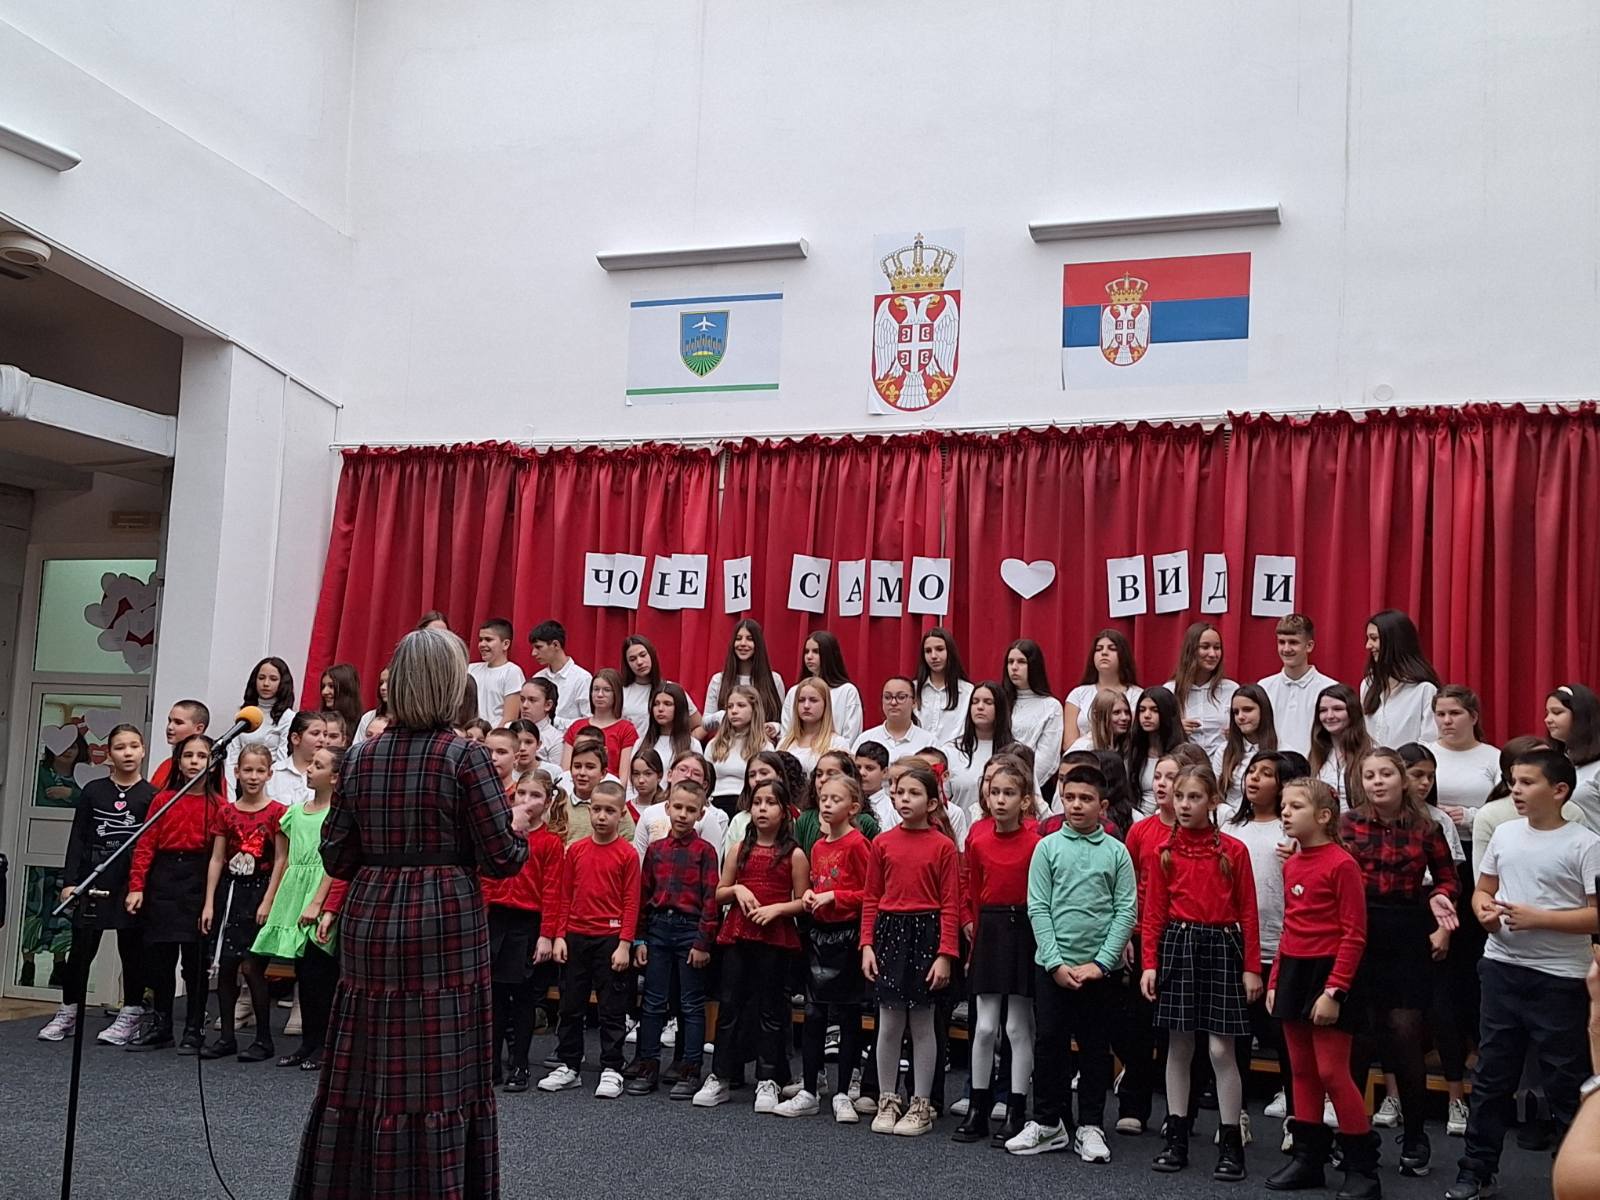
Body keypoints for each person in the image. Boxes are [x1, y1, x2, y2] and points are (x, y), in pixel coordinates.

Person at [292, 628, 532, 1200]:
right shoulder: (466, 757)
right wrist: (518, 828)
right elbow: (502, 859)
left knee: (369, 1061)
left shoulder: (359, 757)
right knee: (437, 1068)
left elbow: (336, 856)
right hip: (445, 916)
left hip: (372, 913)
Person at [1448, 747, 1600, 1200]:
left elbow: (1596, 916)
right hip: (1502, 969)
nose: (1515, 790)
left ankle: (1572, 1176)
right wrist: (1484, 911)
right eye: (1513, 781)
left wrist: (1540, 919)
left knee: (1565, 1080)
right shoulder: (1505, 833)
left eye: (1527, 782)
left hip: (1561, 978)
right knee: (1492, 1077)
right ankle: (1476, 1171)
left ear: (1559, 791)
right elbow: (1483, 890)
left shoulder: (1585, 844)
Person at [1006, 762, 1136, 1159]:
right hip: (1054, 968)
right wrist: (1054, 962)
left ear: (1103, 806)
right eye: (1070, 798)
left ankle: (1091, 1125)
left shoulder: (1117, 852)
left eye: (1086, 799)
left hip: (1100, 971)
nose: (1077, 805)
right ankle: (1049, 1123)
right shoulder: (1047, 848)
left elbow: (1125, 910)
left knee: (1095, 1047)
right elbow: (1038, 907)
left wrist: (1102, 963)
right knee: (1049, 1042)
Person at [1341, 745, 1459, 1179]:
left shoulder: (1427, 826)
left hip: (1407, 929)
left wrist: (1441, 899)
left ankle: (1414, 1135)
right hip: (1358, 929)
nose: (1378, 782)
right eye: (1369, 775)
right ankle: (1353, 1135)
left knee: (1405, 1033)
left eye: (1386, 774)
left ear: (1402, 780)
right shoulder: (1346, 823)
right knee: (1357, 1037)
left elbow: (1448, 878)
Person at [1141, 763, 1261, 1182]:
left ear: (1213, 801)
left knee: (1221, 1050)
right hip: (1179, 944)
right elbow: (1154, 912)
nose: (1185, 805)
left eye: (1194, 797)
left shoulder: (1233, 851)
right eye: (1179, 797)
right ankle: (1176, 1136)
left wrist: (1251, 968)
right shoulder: (1164, 851)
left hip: (1222, 946)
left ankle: (1231, 1141)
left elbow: (1249, 911)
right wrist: (1150, 963)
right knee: (1178, 1046)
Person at [1266, 778, 1376, 1196]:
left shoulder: (1342, 864)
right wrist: (1276, 979)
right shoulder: (1292, 863)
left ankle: (1362, 1169)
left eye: (1296, 806)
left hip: (1329, 974)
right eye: (1284, 805)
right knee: (1301, 1070)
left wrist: (1335, 991)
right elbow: (1290, 925)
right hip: (1294, 971)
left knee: (1332, 1071)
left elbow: (1354, 934)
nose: (1285, 812)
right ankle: (1308, 1160)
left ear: (1325, 816)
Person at [860, 759, 961, 1137]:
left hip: (926, 934)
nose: (904, 799)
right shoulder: (882, 843)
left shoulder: (943, 847)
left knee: (922, 1023)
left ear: (932, 803)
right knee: (888, 1023)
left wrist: (945, 954)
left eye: (914, 793)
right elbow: (871, 898)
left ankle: (921, 1102)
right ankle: (888, 1098)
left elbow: (950, 904)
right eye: (900, 792)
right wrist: (867, 944)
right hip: (890, 933)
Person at [694, 777, 807, 1110]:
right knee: (729, 1006)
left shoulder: (795, 854)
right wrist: (737, 889)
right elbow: (719, 892)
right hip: (738, 934)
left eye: (770, 803)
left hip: (774, 937)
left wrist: (777, 909)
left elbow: (803, 901)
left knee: (771, 1009)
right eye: (757, 802)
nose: (762, 809)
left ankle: (768, 1078)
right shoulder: (739, 849)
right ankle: (721, 1076)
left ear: (784, 811)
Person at [39, 724, 155, 1046]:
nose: (128, 753)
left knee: (131, 950)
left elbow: (150, 847)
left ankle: (131, 1013)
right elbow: (78, 838)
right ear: (109, 754)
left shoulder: (152, 795)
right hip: (94, 877)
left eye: (134, 746)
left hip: (130, 881)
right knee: (81, 950)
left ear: (143, 750)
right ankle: (68, 1011)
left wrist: (141, 886)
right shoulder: (93, 791)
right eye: (120, 747)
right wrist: (70, 881)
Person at [955, 756, 1043, 1147]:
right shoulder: (977, 837)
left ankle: (1015, 1109)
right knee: (985, 1026)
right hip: (989, 929)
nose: (1001, 800)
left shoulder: (1037, 842)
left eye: (1009, 793)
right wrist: (970, 931)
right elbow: (971, 887)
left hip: (1023, 927)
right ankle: (978, 1107)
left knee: (1017, 1026)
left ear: (1025, 801)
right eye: (995, 792)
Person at [125, 733, 225, 1053]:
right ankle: (162, 1024)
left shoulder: (219, 805)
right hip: (164, 879)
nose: (194, 762)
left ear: (213, 764)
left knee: (195, 962)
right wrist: (137, 886)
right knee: (160, 959)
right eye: (188, 755)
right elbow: (145, 845)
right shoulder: (162, 800)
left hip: (199, 879)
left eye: (201, 756)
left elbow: (220, 856)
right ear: (178, 762)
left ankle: (194, 1028)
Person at [783, 773, 873, 1121]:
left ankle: (843, 1093)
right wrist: (809, 895)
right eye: (824, 798)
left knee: (848, 1015)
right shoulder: (819, 846)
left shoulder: (858, 844)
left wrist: (835, 896)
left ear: (853, 807)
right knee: (814, 1013)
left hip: (847, 936)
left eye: (836, 799)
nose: (827, 804)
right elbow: (816, 884)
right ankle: (809, 1089)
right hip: (819, 936)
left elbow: (869, 894)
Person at [251, 745, 344, 1070]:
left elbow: (336, 863)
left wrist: (319, 902)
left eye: (318, 765)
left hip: (320, 892)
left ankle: (324, 1046)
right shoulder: (295, 812)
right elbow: (284, 859)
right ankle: (307, 1043)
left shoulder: (338, 815)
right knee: (303, 973)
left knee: (321, 974)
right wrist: (273, 899)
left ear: (335, 777)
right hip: (294, 892)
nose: (309, 769)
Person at [627, 779, 720, 1099]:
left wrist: (703, 942)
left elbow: (710, 901)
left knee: (690, 1004)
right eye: (677, 807)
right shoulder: (655, 850)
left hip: (689, 930)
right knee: (653, 1002)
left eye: (690, 810)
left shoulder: (705, 852)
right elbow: (644, 896)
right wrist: (639, 939)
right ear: (667, 808)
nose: (682, 814)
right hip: (657, 930)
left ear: (701, 814)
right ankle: (648, 1065)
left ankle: (690, 1069)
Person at [1398, 741, 1473, 1136]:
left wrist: (1444, 929)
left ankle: (1456, 1098)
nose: (1424, 783)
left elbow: (1451, 882)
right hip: (1393, 914)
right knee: (1393, 1014)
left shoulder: (1438, 820)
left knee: (1443, 1010)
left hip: (1432, 913)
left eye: (1430, 776)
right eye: (1417, 775)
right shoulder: (1374, 819)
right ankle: (1393, 1094)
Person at [200, 743, 288, 1062]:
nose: (253, 776)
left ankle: (263, 1039)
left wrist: (269, 900)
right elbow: (217, 858)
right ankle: (227, 1037)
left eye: (259, 770)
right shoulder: (226, 812)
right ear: (236, 772)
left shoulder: (277, 812)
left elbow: (281, 859)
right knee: (226, 967)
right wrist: (209, 902)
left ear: (269, 773)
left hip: (259, 892)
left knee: (252, 967)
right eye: (247, 770)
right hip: (231, 892)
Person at [484, 770, 563, 1092]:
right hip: (495, 920)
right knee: (494, 996)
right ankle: (491, 1064)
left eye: (536, 795)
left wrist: (547, 934)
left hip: (527, 924)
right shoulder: (501, 835)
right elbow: (487, 878)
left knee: (522, 998)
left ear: (548, 802)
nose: (527, 801)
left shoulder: (550, 843)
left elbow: (553, 890)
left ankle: (520, 1064)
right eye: (522, 794)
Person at [1228, 751, 1291, 1125]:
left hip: (1282, 945)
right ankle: (1235, 1115)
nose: (1253, 778)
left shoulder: (1290, 830)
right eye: (1251, 771)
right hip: (1237, 945)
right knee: (1236, 1035)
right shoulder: (1231, 827)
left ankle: (1295, 1116)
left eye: (1265, 773)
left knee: (1284, 1036)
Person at [1429, 685, 1502, 848]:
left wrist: (1470, 817)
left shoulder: (1494, 757)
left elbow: (1507, 808)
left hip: (1478, 844)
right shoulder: (1425, 753)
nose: (1447, 721)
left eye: (1455, 713)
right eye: (1440, 714)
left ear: (1473, 717)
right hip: (1431, 842)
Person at [1258, 614, 1339, 756]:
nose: (1286, 649)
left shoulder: (1330, 688)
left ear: (1309, 646)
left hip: (1315, 766)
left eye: (1293, 642)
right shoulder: (1264, 687)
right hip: (1273, 766)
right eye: (1281, 642)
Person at [1361, 609, 1440, 747]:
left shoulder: (1424, 690)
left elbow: (1429, 742)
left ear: (1394, 641)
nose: (1368, 646)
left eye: (1374, 638)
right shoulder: (1368, 684)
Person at [1165, 621, 1239, 762]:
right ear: (1191, 650)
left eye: (1217, 648)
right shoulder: (1170, 691)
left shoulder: (1232, 689)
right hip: (1183, 766)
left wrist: (1236, 733)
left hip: (1223, 765)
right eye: (1205, 647)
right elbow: (1156, 736)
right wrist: (1176, 730)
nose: (1212, 654)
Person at [1001, 640, 1064, 792]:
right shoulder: (999, 701)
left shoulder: (1051, 706)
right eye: (1010, 662)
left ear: (1034, 665)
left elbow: (1047, 759)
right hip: (997, 785)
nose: (1014, 667)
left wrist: (1021, 786)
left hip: (1033, 788)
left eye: (1021, 662)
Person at [780, 630, 864, 743]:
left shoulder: (847, 691)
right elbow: (786, 732)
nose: (809, 656)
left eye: (816, 651)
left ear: (829, 654)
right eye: (806, 652)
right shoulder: (794, 691)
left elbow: (851, 736)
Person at [701, 618, 785, 732]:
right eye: (738, 638)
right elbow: (705, 723)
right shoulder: (718, 680)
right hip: (728, 741)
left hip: (762, 741)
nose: (743, 643)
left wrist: (775, 727)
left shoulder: (774, 680)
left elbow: (784, 722)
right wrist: (722, 716)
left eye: (749, 639)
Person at [226, 655, 297, 790]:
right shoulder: (245, 712)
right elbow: (232, 758)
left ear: (283, 683)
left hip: (271, 786)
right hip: (241, 784)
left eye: (273, 679)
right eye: (261, 678)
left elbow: (281, 761)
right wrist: (230, 795)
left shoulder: (288, 717)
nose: (266, 684)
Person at [944, 680, 1013, 816]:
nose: (980, 707)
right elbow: (942, 801)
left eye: (988, 702)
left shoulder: (1015, 752)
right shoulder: (950, 750)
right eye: (975, 702)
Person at [1063, 628, 1143, 742]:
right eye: (1098, 649)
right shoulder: (1078, 694)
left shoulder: (1137, 695)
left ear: (1123, 655)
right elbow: (1069, 743)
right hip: (1083, 753)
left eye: (1112, 648)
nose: (1104, 653)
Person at [561, 667, 639, 780]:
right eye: (596, 689)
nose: (600, 694)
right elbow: (566, 771)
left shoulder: (626, 729)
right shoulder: (576, 727)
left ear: (616, 693)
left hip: (610, 787)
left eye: (607, 690)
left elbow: (624, 776)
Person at [707, 684, 770, 816]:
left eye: (741, 705)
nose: (734, 711)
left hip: (747, 806)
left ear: (754, 709)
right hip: (715, 805)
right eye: (730, 706)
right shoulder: (714, 744)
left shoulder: (764, 746)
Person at [1126, 685, 1190, 812]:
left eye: (1154, 710)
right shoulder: (1133, 750)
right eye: (1142, 710)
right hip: (1137, 816)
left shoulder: (1184, 753)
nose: (1147, 715)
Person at [1309, 684, 1373, 807]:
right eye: (1323, 710)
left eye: (1337, 709)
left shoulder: (1371, 753)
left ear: (1353, 712)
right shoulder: (1317, 754)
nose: (1329, 716)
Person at [1218, 685, 1278, 810]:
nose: (1240, 716)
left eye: (1247, 710)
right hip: (1229, 818)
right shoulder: (1224, 751)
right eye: (1236, 712)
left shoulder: (1283, 751)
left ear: (1263, 711)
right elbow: (1216, 793)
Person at [1547, 684, 1600, 828]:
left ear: (1580, 716)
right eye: (1547, 713)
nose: (1548, 719)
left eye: (1557, 712)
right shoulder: (1552, 762)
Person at [779, 675, 853, 775]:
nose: (806, 706)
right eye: (801, 700)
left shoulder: (836, 744)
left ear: (825, 705)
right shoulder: (784, 743)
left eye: (813, 700)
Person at [854, 675, 937, 763]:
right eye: (887, 697)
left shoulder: (928, 741)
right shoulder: (866, 738)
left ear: (914, 702)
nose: (893, 702)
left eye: (901, 697)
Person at [564, 742, 636, 844]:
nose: (582, 773)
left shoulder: (615, 806)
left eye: (590, 767)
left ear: (603, 773)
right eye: (577, 766)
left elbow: (628, 841)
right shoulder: (560, 805)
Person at [915, 626, 975, 745]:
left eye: (939, 649)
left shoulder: (968, 691)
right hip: (917, 754)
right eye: (928, 651)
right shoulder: (913, 690)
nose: (933, 656)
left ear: (950, 651)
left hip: (954, 754)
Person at [529, 619, 593, 722]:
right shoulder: (537, 678)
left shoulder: (582, 678)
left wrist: (554, 722)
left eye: (538, 647)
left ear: (556, 645)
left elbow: (588, 720)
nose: (534, 653)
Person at [466, 618, 525, 725]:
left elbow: (509, 718)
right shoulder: (471, 669)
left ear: (505, 644)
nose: (482, 644)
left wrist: (493, 735)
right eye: (480, 640)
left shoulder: (512, 672)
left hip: (496, 733)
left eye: (488, 640)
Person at [267, 711, 327, 807]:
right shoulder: (274, 773)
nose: (322, 739)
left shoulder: (327, 774)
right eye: (315, 734)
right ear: (295, 738)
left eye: (325, 734)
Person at [151, 699, 209, 789]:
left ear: (199, 729)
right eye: (169, 721)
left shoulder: (208, 768)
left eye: (178, 723)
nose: (170, 727)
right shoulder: (166, 765)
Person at [642, 682, 702, 766]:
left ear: (679, 707)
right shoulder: (640, 743)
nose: (660, 709)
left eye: (667, 704)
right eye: (656, 704)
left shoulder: (693, 745)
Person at [318, 664, 365, 746]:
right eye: (323, 686)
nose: (324, 692)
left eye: (331, 686)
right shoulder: (316, 721)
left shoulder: (363, 725)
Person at [856, 741, 892, 827]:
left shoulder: (892, 810)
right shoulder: (844, 803)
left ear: (884, 772)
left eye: (869, 768)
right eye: (858, 767)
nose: (862, 773)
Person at [353, 667, 389, 743]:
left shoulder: (409, 720)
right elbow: (356, 746)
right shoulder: (368, 717)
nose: (382, 687)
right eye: (381, 683)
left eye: (389, 683)